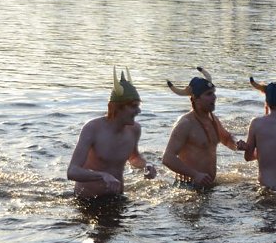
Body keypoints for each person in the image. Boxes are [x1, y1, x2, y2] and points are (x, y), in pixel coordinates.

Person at [68, 68, 157, 198]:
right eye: (133, 106)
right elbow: (72, 171)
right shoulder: (92, 129)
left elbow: (134, 157)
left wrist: (147, 164)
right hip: (87, 200)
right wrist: (102, 175)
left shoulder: (134, 129)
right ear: (116, 107)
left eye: (138, 106)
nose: (138, 111)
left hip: (117, 198)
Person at [163, 67, 244, 188]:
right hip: (188, 188)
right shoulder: (185, 124)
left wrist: (237, 143)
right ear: (195, 99)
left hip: (208, 186)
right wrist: (195, 175)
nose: (214, 97)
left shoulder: (212, 118)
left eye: (214, 93)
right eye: (209, 94)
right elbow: (167, 158)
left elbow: (226, 139)